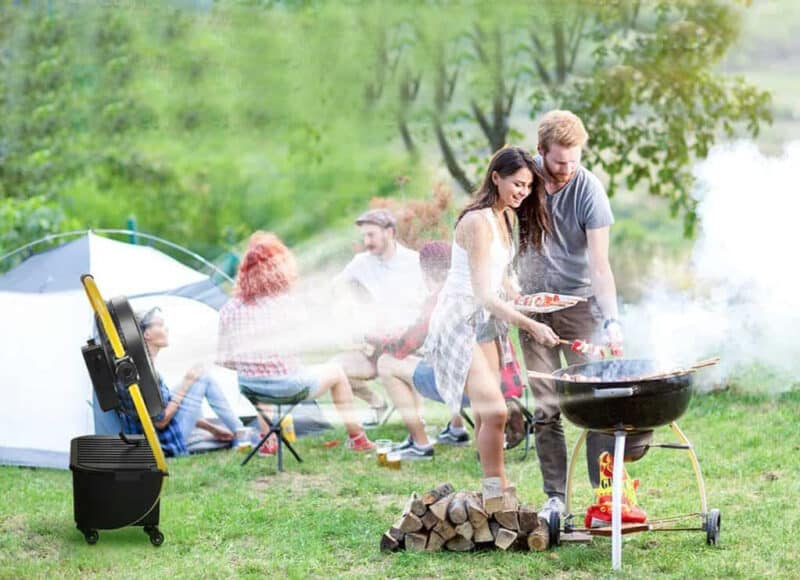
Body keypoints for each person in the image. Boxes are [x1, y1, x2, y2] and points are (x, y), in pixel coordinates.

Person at [517, 109, 630, 521]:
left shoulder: (589, 190)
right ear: (541, 151)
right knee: (546, 407)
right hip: (531, 308)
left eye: (574, 159)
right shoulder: (523, 183)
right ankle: (555, 500)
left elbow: (600, 264)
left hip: (581, 306)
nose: (567, 168)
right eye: (559, 161)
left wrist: (611, 319)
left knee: (593, 404)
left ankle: (604, 498)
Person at [423, 146, 560, 489]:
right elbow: (482, 293)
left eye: (528, 187)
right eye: (517, 184)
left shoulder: (506, 216)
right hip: (460, 321)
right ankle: (497, 485)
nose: (522, 193)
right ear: (495, 177)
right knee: (498, 411)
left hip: (486, 321)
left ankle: (493, 487)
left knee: (489, 413)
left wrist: (519, 295)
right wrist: (531, 324)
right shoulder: (477, 222)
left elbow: (496, 275)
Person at [217, 231, 374, 452]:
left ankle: (268, 441)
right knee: (337, 372)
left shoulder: (229, 309)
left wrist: (252, 363)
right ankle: (358, 439)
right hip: (288, 386)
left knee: (262, 381)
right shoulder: (286, 305)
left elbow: (223, 360)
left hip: (250, 387)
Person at [373, 241, 469, 460]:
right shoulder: (469, 290)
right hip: (492, 385)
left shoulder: (438, 300)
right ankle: (456, 428)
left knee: (387, 363)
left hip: (463, 390)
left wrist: (377, 339)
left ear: (425, 271)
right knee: (442, 357)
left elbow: (403, 347)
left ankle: (419, 443)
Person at [333, 208, 426, 424]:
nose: (367, 241)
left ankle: (418, 424)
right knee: (335, 369)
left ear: (390, 232)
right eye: (364, 236)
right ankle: (377, 403)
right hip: (374, 347)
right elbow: (337, 286)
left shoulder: (414, 262)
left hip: (408, 346)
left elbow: (430, 303)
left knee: (406, 367)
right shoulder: (361, 262)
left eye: (371, 235)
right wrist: (350, 307)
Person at [117, 306, 247, 458]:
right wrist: (186, 383)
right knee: (201, 378)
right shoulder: (144, 374)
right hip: (163, 440)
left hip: (157, 433)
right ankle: (241, 434)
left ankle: (236, 431)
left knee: (194, 379)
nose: (166, 329)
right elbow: (161, 422)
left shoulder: (136, 366)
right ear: (146, 334)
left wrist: (210, 428)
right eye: (159, 325)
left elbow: (160, 409)